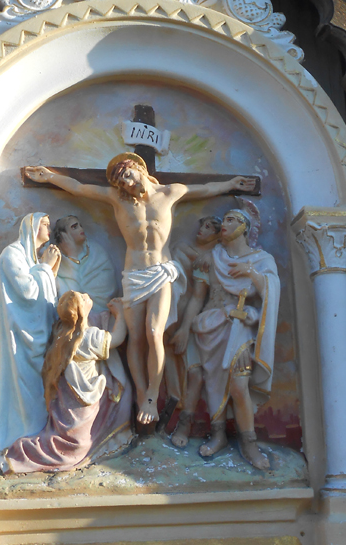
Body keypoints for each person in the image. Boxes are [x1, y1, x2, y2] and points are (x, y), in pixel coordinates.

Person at [24, 154, 255, 426]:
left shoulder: (170, 193)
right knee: (136, 339)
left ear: (139, 169)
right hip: (133, 275)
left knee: (154, 332)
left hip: (160, 271)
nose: (126, 183)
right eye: (121, 181)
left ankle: (152, 396)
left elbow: (204, 189)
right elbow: (79, 187)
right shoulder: (117, 199)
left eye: (128, 176)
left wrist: (231, 183)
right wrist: (49, 176)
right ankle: (142, 394)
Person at [171, 204, 280, 470]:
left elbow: (272, 294)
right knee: (209, 382)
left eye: (231, 220)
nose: (224, 225)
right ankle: (218, 435)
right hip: (208, 326)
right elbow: (198, 297)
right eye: (225, 220)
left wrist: (252, 274)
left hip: (238, 329)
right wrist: (185, 328)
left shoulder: (261, 260)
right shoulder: (211, 257)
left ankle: (249, 443)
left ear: (244, 227)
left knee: (238, 387)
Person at [5, 292, 132, 472]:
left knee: (68, 433)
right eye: (83, 298)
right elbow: (117, 337)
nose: (87, 296)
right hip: (83, 400)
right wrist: (120, 314)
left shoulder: (60, 333)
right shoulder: (89, 337)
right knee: (79, 442)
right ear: (81, 310)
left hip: (66, 398)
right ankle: (26, 453)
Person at [0, 212, 61, 454]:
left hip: (37, 338)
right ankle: (21, 437)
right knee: (27, 388)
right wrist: (46, 268)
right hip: (22, 341)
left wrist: (49, 270)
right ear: (32, 227)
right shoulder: (12, 254)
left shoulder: (30, 258)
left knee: (41, 387)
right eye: (45, 224)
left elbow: (45, 295)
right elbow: (28, 293)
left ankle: (38, 436)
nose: (49, 229)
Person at [166, 215, 222, 448]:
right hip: (173, 314)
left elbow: (201, 296)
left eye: (210, 227)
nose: (203, 229)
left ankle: (186, 423)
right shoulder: (181, 248)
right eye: (203, 224)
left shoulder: (216, 258)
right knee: (169, 363)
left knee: (197, 373)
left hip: (200, 321)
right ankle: (168, 413)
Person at [53, 214, 117, 314]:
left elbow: (106, 282)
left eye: (80, 225)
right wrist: (71, 255)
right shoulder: (57, 257)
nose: (80, 229)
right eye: (74, 227)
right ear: (64, 235)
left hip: (100, 311)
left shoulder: (96, 250)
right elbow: (68, 294)